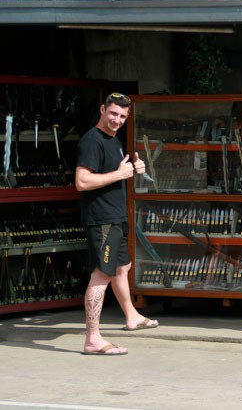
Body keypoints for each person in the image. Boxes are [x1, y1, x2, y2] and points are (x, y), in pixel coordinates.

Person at [75, 92, 159, 356]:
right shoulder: (92, 141)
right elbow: (82, 182)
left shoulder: (114, 140)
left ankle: (131, 316)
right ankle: (93, 339)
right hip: (102, 221)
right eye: (113, 113)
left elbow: (115, 172)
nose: (117, 120)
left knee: (122, 267)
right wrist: (120, 174)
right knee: (102, 275)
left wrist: (134, 169)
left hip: (115, 218)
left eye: (122, 116)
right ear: (102, 109)